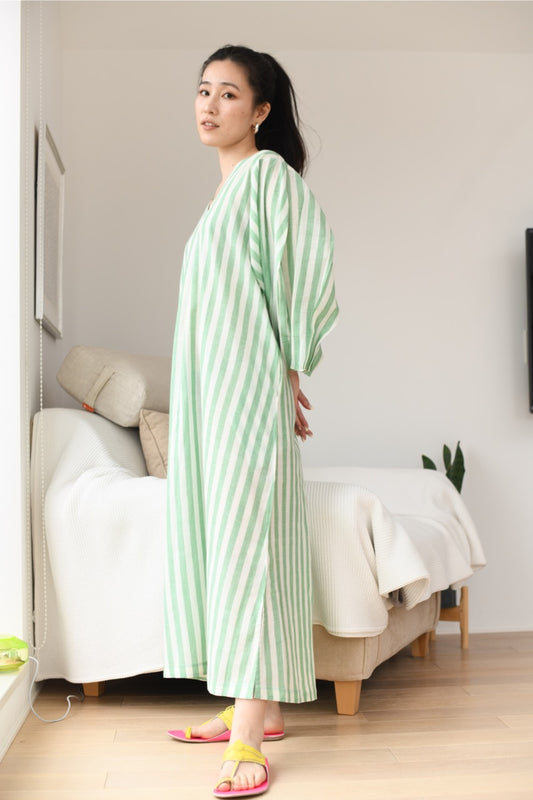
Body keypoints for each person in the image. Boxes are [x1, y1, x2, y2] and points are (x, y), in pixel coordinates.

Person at [164, 44, 338, 798]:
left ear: (261, 111)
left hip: (244, 389)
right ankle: (252, 707)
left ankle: (248, 739)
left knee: (250, 544)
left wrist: (290, 367)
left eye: (228, 94)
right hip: (210, 391)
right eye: (203, 90)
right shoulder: (221, 197)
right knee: (220, 537)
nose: (209, 105)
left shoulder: (268, 176)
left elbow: (300, 271)